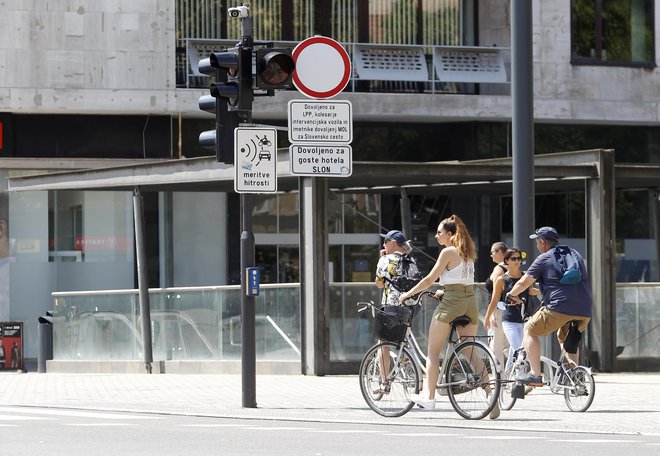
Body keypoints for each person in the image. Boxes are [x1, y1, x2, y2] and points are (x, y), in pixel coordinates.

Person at [398, 214, 499, 419]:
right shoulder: (468, 252)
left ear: (450, 234)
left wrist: (408, 294)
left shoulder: (448, 252)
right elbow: (461, 280)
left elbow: (429, 279)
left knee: (433, 352)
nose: (436, 236)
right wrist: (445, 290)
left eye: (439, 232)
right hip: (469, 301)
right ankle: (490, 395)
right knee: (470, 351)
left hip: (452, 303)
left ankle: (430, 397)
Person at [506, 227, 592, 386]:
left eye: (538, 243)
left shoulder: (544, 258)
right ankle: (574, 376)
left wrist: (511, 294)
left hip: (558, 308)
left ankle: (536, 375)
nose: (538, 246)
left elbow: (523, 282)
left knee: (530, 330)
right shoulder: (575, 255)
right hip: (584, 309)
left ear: (543, 243)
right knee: (566, 335)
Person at [484, 248, 539, 372]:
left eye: (519, 258)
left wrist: (537, 292)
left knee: (515, 351)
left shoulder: (526, 277)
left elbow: (530, 292)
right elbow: (494, 300)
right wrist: (488, 317)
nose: (517, 261)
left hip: (525, 319)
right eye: (513, 258)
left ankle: (506, 379)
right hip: (509, 320)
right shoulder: (502, 279)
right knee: (518, 349)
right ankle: (520, 378)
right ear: (506, 261)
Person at [373, 229, 413, 394]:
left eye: (386, 241)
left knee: (383, 344)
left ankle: (384, 382)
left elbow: (379, 284)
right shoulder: (410, 259)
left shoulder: (385, 259)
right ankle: (410, 370)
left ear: (393, 243)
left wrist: (382, 259)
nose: (383, 244)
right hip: (410, 306)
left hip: (391, 306)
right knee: (403, 339)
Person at [484, 241, 509, 369]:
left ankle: (498, 381)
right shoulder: (511, 266)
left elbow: (496, 295)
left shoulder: (499, 269)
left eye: (493, 252)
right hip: (508, 310)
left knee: (495, 347)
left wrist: (491, 314)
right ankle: (517, 377)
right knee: (506, 347)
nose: (491, 255)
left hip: (498, 310)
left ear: (500, 252)